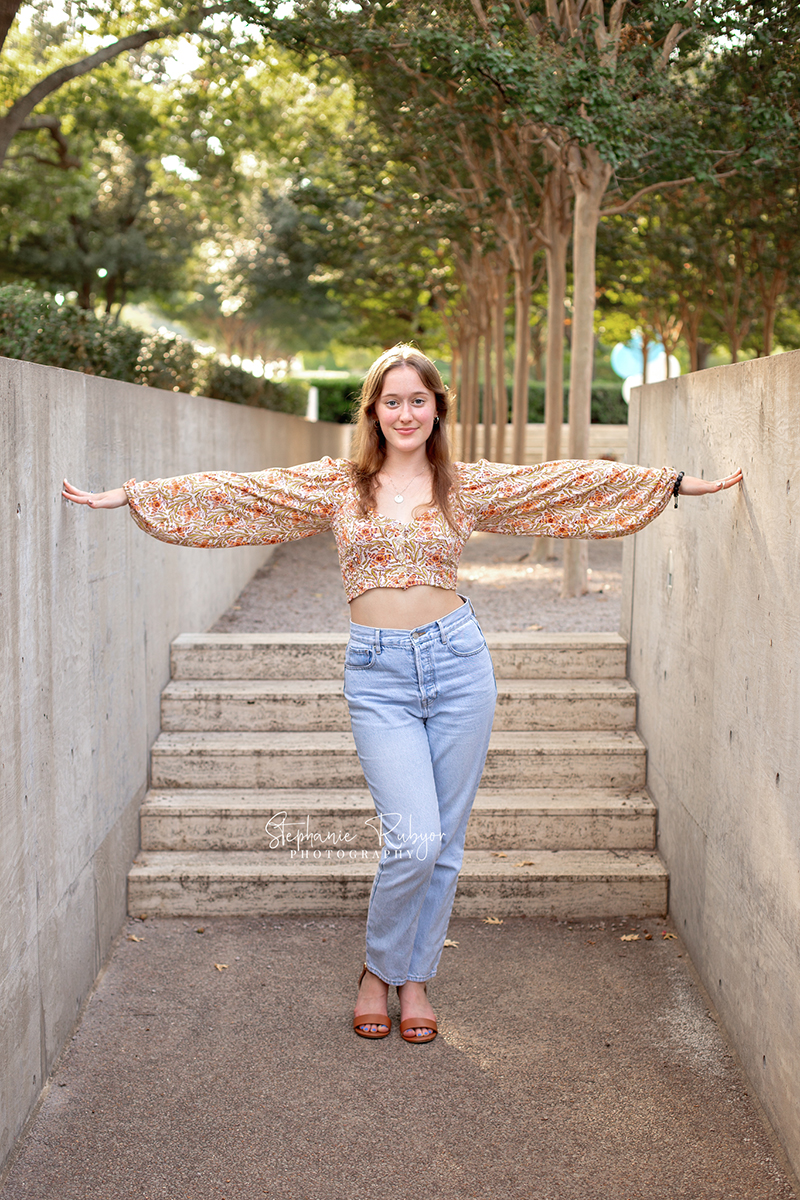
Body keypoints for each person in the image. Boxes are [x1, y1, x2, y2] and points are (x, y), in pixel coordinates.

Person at [63, 344, 742, 1044]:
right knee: (414, 839)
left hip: (458, 665)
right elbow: (242, 495)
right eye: (393, 401)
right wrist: (135, 497)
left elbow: (561, 485)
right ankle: (378, 968)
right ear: (373, 411)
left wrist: (671, 484)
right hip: (378, 674)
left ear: (437, 407)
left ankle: (412, 980)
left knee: (444, 844)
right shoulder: (338, 485)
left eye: (419, 399)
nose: (406, 413)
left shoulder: (462, 485)